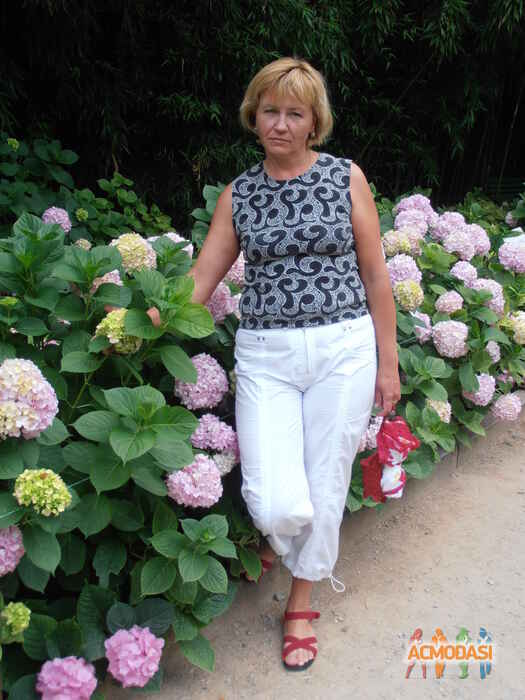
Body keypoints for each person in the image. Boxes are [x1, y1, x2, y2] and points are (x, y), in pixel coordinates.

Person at [160, 57, 400, 670]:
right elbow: (202, 279)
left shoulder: (345, 178)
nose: (281, 124)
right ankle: (289, 542)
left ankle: (300, 602)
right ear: (254, 115)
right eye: (271, 111)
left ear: (314, 121)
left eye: (295, 113)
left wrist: (388, 363)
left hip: (344, 350)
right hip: (267, 355)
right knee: (274, 502)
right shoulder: (238, 194)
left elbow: (376, 275)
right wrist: (149, 317)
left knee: (326, 479)